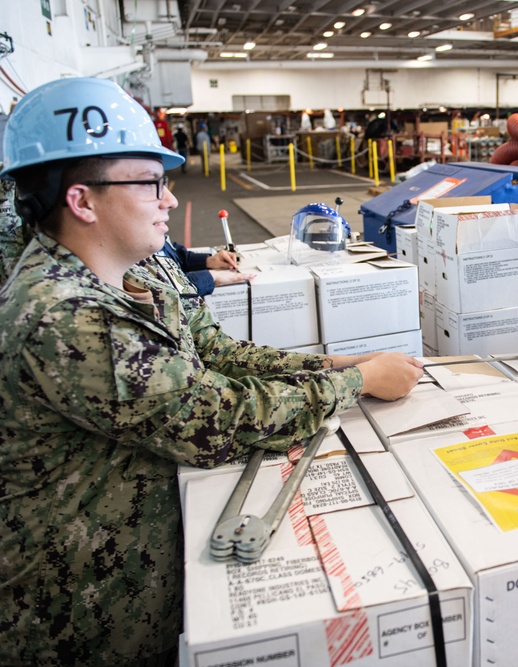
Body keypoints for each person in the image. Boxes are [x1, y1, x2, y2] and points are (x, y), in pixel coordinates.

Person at [0, 76, 424, 666]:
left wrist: (334, 362)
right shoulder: (64, 316)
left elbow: (215, 351)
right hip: (85, 618)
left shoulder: (128, 273)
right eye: (150, 183)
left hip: (138, 577)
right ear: (82, 201)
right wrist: (357, 383)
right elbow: (211, 420)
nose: (170, 201)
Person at [156, 235, 255, 297]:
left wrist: (208, 261)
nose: (172, 207)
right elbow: (167, 292)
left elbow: (177, 255)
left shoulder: (156, 234)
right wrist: (211, 276)